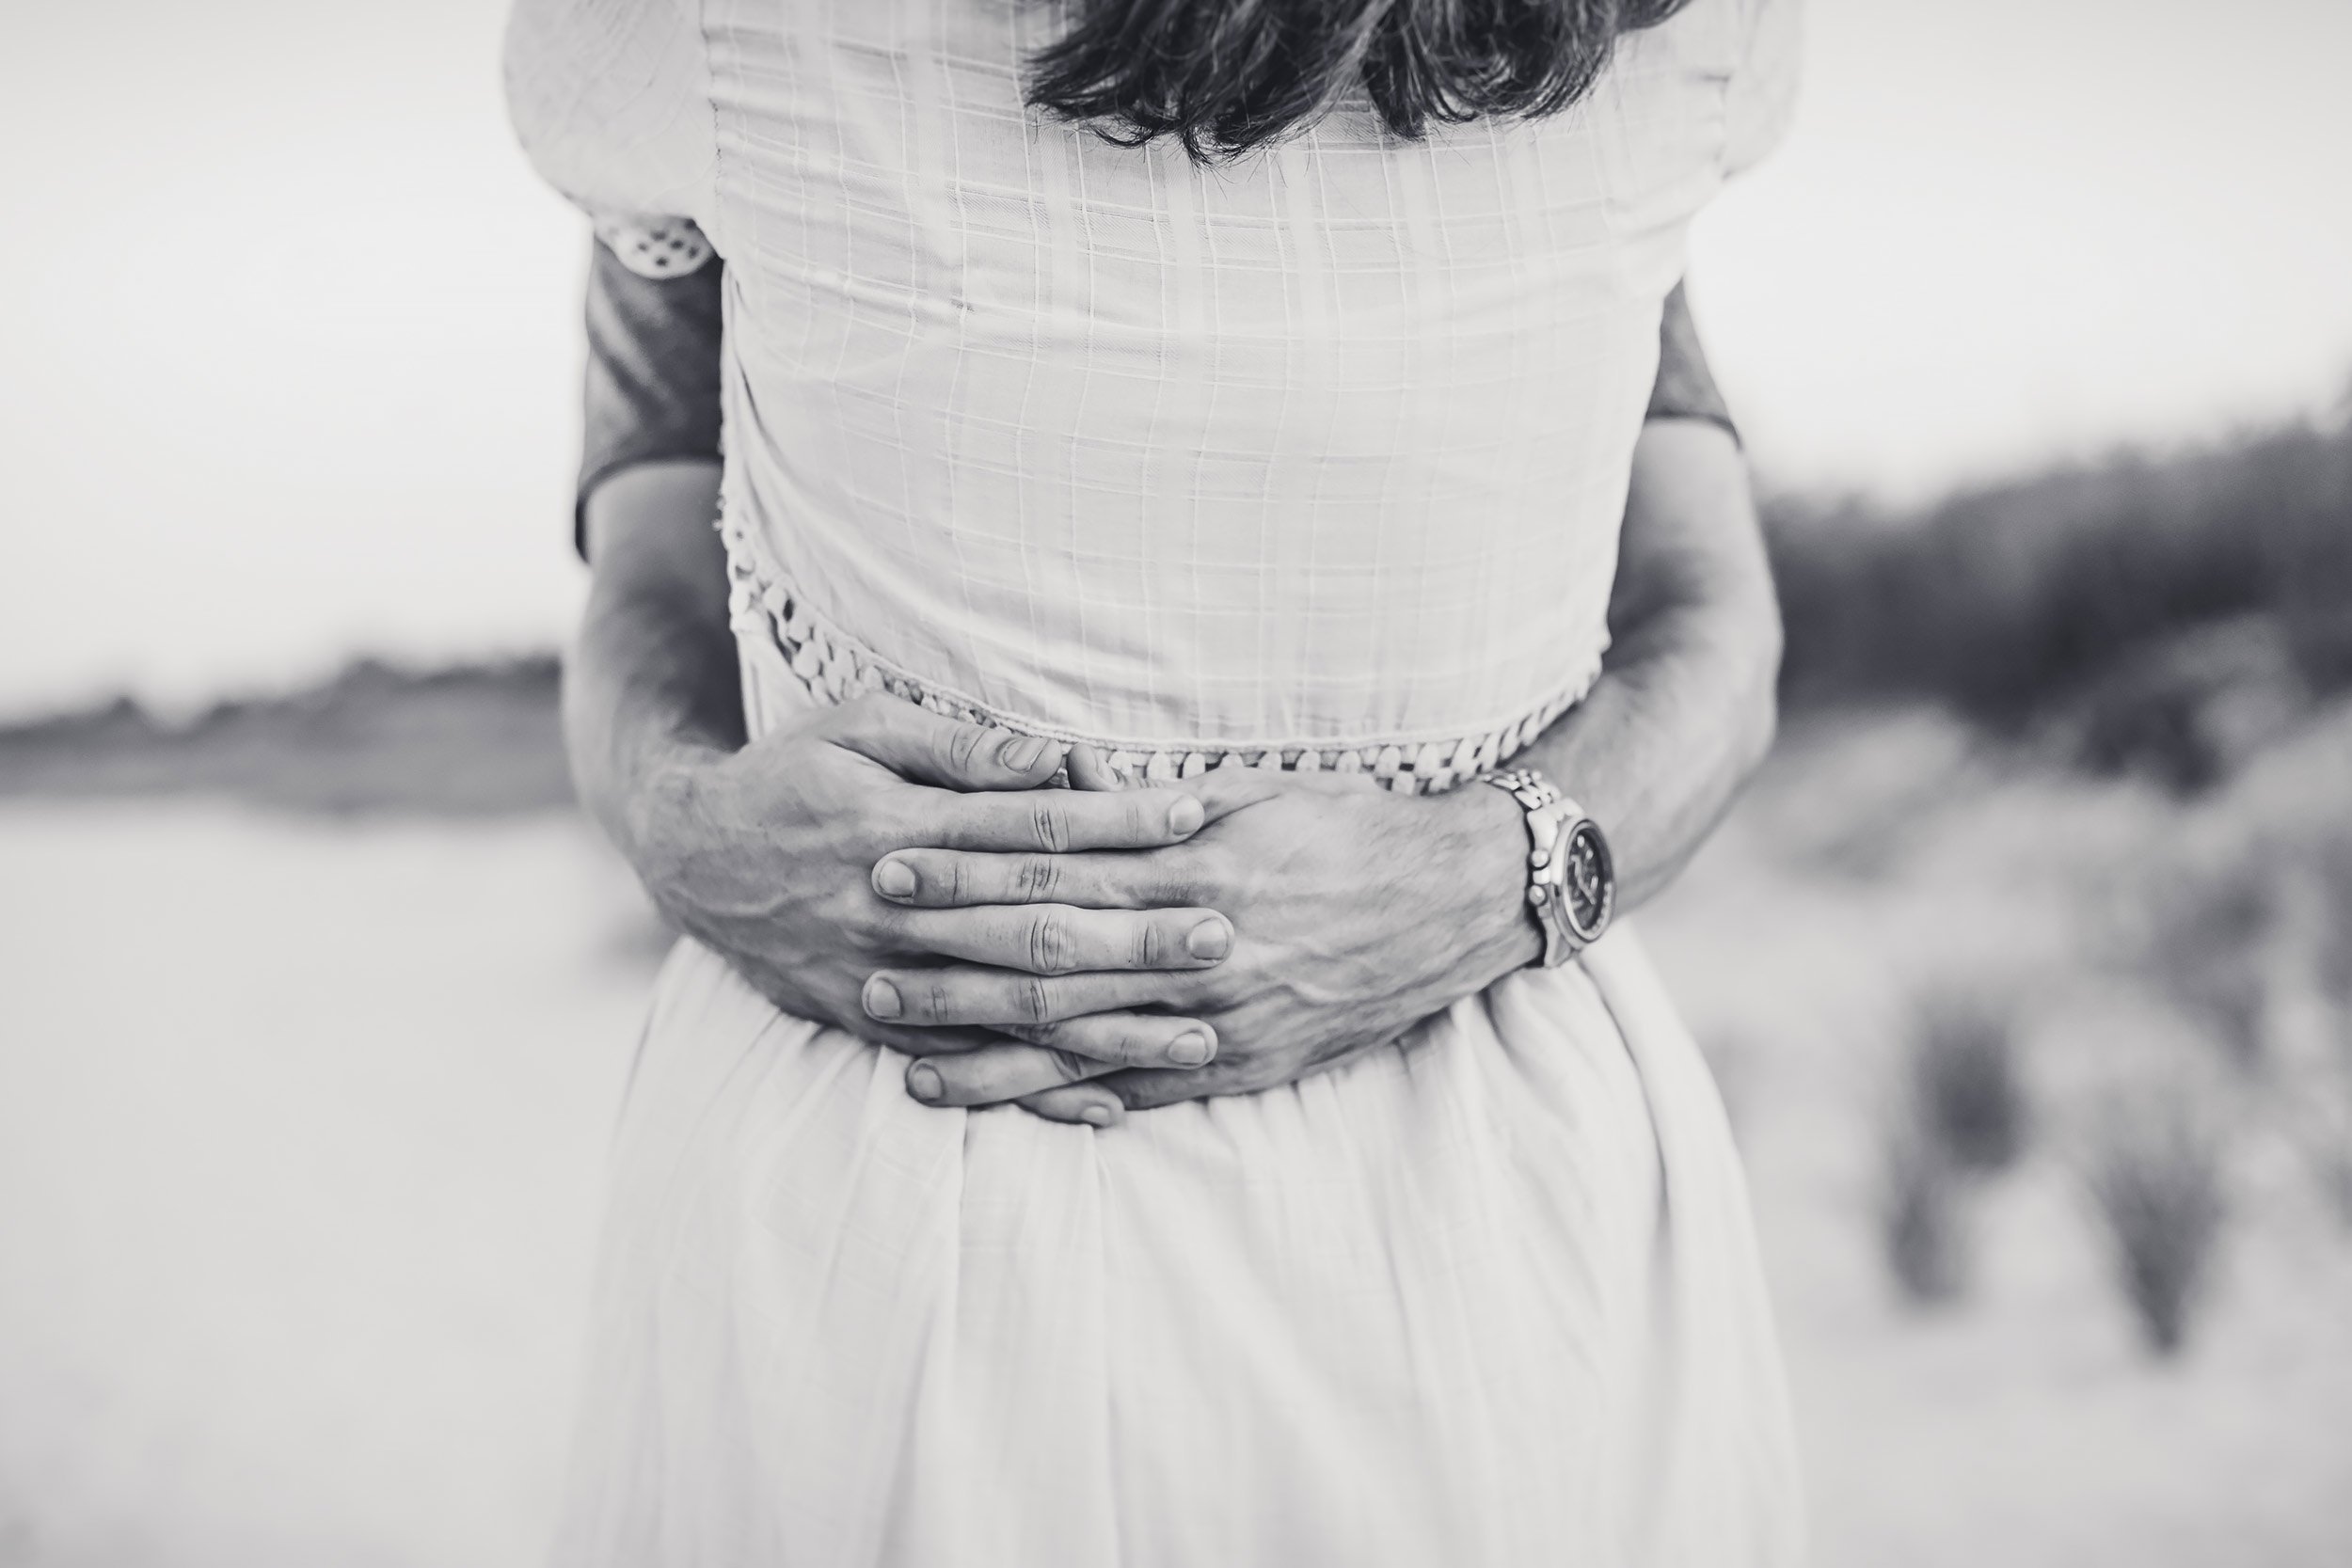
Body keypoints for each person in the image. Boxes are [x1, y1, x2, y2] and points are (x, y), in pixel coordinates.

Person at [507, 0, 1804, 1559]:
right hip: (970, 1185)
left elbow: (1718, 626)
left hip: (1093, 1181)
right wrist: (679, 824)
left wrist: (1478, 879)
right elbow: (651, 565)